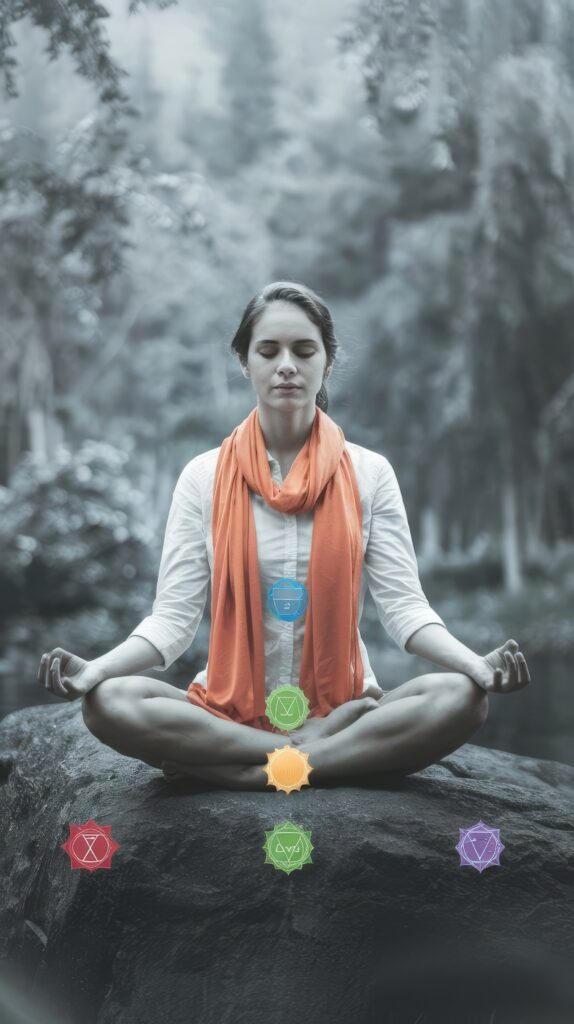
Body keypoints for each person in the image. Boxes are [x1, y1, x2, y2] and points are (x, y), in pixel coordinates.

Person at [37, 281, 530, 790]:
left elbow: (404, 610)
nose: (286, 365)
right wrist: (95, 669)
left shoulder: (369, 473)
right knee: (108, 704)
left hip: (343, 707)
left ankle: (255, 776)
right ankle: (301, 752)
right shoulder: (203, 477)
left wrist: (476, 665)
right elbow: (172, 622)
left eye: (304, 350)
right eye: (268, 351)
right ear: (244, 362)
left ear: (328, 361)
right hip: (229, 715)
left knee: (463, 698)